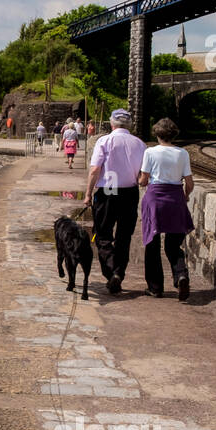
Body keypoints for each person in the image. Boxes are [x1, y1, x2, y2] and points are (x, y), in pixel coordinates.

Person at [82, 109, 146, 294]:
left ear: (111, 124)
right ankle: (118, 272)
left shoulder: (105, 141)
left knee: (102, 234)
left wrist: (87, 194)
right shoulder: (140, 144)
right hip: (130, 192)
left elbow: (95, 170)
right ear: (129, 125)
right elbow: (143, 174)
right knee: (124, 237)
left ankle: (111, 272)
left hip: (108, 190)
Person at [138, 118, 194, 299]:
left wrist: (139, 181)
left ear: (157, 133)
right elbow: (190, 183)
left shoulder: (150, 152)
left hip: (155, 198)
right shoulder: (182, 153)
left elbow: (144, 179)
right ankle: (181, 275)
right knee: (173, 244)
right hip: (176, 198)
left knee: (152, 243)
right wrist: (185, 195)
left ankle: (155, 287)